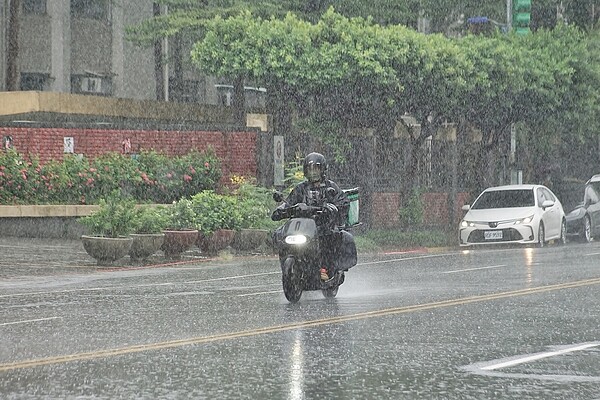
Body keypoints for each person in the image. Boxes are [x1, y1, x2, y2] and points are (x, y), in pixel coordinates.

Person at [271, 152, 357, 281]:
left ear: (323, 170)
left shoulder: (331, 187)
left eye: (316, 169)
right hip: (302, 227)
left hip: (323, 225)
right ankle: (290, 268)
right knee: (279, 235)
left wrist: (332, 207)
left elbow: (343, 203)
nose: (313, 172)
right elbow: (289, 202)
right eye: (310, 169)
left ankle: (326, 270)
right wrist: (281, 210)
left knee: (329, 239)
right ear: (305, 171)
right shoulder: (300, 188)